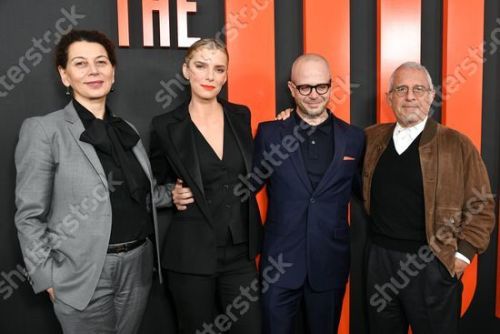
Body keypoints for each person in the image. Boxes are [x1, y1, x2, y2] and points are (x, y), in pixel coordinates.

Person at [14, 29, 170, 334]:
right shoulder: (45, 130)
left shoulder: (126, 129)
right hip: (81, 274)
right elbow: (29, 216)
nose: (94, 71)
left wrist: (172, 195)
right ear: (64, 75)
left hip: (138, 266)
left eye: (101, 62)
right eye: (80, 63)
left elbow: (137, 193)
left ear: (113, 71)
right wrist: (46, 277)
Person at [362, 61, 495, 334]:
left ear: (431, 96)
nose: (410, 96)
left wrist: (462, 256)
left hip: (431, 263)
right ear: (390, 98)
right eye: (401, 89)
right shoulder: (371, 138)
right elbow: (331, 143)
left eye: (418, 89)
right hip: (379, 262)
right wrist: (289, 119)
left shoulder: (456, 144)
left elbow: (482, 204)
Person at [149, 38, 262, 334]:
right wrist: (169, 194)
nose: (210, 76)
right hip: (190, 254)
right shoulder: (164, 125)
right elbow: (154, 183)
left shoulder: (241, 115)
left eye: (218, 69)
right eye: (201, 66)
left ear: (226, 75)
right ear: (186, 70)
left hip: (239, 253)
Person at [251, 54, 365, 334]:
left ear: (330, 86)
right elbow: (247, 185)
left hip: (330, 262)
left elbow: (366, 191)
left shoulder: (354, 137)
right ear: (292, 89)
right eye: (305, 88)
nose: (314, 95)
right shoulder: (270, 133)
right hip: (279, 264)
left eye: (321, 86)